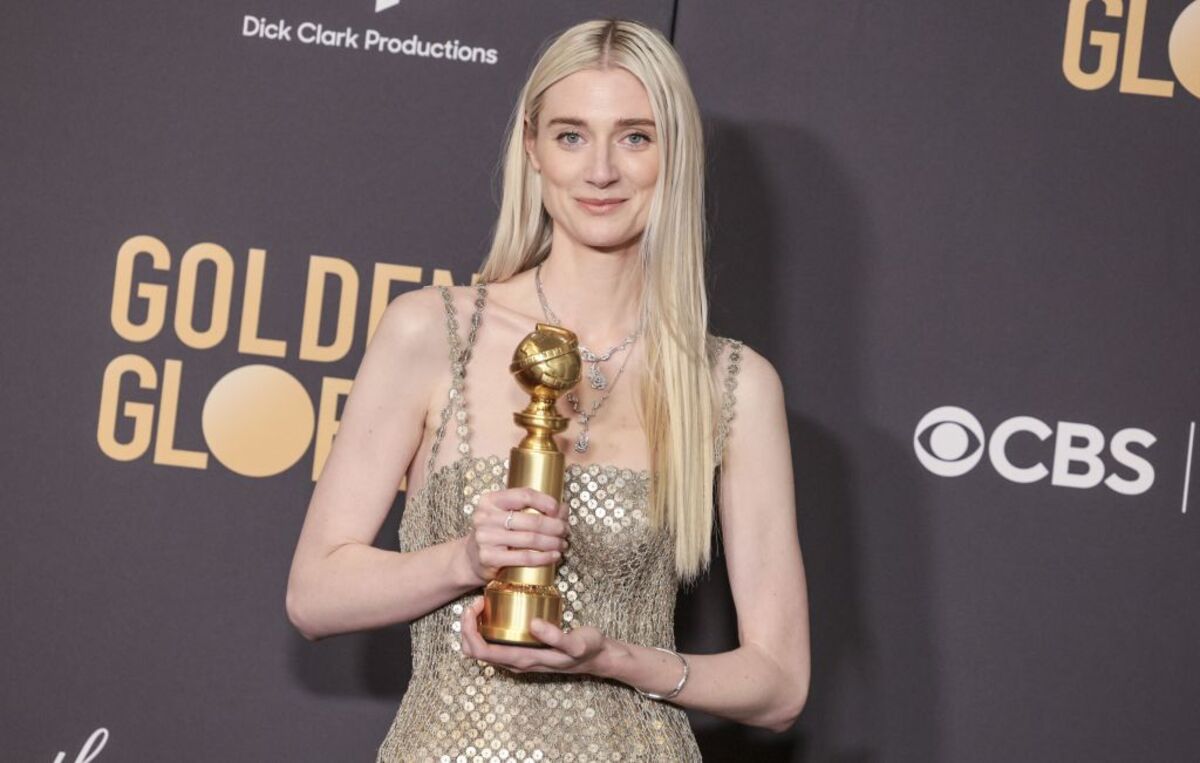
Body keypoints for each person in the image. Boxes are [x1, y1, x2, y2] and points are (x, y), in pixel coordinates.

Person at [285, 18, 810, 762]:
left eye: (635, 137)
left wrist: (614, 658)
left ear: (676, 154)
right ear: (532, 149)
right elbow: (314, 595)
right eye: (571, 136)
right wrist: (466, 560)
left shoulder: (732, 383)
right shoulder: (431, 332)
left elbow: (782, 683)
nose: (600, 170)